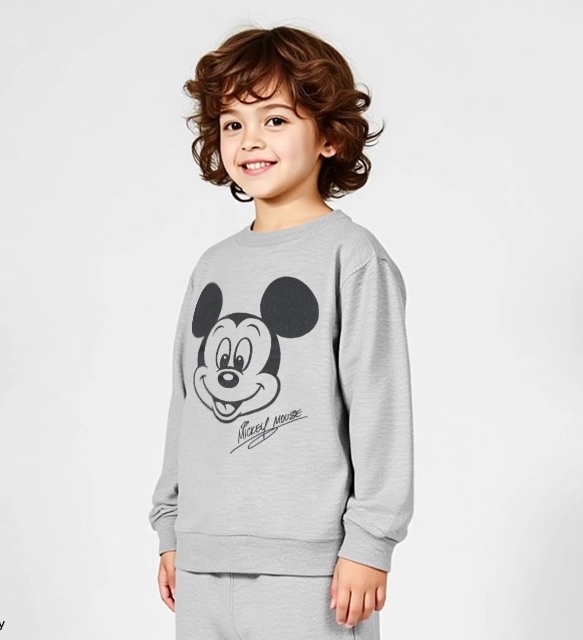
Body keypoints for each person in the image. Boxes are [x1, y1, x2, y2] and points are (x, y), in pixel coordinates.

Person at [148, 24, 414, 640]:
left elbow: (380, 408)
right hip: (203, 560)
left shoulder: (352, 258)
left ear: (329, 136)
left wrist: (370, 541)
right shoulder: (212, 266)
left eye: (274, 119)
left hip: (311, 571)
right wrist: (171, 525)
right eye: (232, 123)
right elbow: (187, 403)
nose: (249, 140)